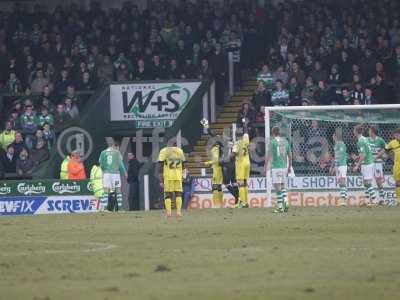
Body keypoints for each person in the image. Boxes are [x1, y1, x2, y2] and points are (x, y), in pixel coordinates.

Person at [266, 126, 292, 213]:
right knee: (283, 185)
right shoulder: (285, 141)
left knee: (277, 186)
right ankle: (286, 201)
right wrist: (289, 166)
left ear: (273, 133)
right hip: (284, 166)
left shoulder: (272, 142)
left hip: (276, 167)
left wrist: (265, 166)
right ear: (279, 133)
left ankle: (280, 206)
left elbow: (269, 155)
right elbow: (290, 155)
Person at [158, 142, 186, 218]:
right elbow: (184, 165)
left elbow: (160, 165)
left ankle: (169, 213)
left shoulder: (164, 151)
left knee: (167, 195)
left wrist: (160, 179)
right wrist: (184, 176)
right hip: (178, 175)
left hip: (168, 176)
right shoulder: (180, 151)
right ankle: (179, 213)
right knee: (178, 193)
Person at [352, 125, 377, 207]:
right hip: (369, 162)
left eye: (354, 130)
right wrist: (357, 157)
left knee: (367, 183)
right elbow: (365, 152)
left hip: (367, 163)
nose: (353, 131)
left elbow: (364, 155)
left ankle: (374, 199)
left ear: (356, 132)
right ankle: (366, 201)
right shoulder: (365, 139)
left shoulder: (360, 141)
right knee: (366, 183)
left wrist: (357, 165)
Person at [99, 142, 127, 212]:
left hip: (106, 174)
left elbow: (101, 164)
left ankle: (105, 208)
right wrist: (125, 172)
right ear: (115, 146)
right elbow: (120, 164)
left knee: (106, 190)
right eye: (117, 147)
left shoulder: (103, 152)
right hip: (115, 174)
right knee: (118, 190)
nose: (118, 149)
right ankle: (120, 208)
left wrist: (104, 170)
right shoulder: (117, 153)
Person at [232, 123, 250, 208]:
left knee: (240, 184)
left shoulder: (237, 143)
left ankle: (242, 202)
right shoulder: (245, 139)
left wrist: (227, 157)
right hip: (247, 163)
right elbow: (246, 131)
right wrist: (244, 123)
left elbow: (234, 153)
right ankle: (246, 202)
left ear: (236, 135)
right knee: (245, 183)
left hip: (240, 165)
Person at [380, 128, 400, 205]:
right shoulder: (392, 143)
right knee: (398, 182)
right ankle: (398, 200)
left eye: (397, 135)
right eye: (395, 135)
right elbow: (385, 151)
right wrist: (379, 156)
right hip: (397, 165)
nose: (396, 136)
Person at [368, 126, 387, 205]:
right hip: (369, 163)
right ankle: (372, 199)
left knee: (378, 181)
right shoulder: (367, 140)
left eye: (369, 131)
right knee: (368, 180)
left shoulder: (380, 140)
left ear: (373, 132)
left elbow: (386, 148)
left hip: (378, 163)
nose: (368, 132)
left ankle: (382, 199)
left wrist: (378, 155)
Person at [330, 131, 348, 206]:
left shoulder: (341, 144)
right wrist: (332, 166)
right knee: (341, 183)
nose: (332, 137)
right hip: (338, 166)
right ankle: (344, 198)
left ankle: (343, 200)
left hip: (342, 165)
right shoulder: (336, 145)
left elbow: (340, 156)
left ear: (335, 136)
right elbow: (336, 156)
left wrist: (335, 166)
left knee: (342, 181)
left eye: (333, 136)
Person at [204, 140, 224, 208]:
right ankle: (221, 204)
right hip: (221, 169)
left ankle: (216, 204)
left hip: (216, 169)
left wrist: (207, 163)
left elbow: (215, 160)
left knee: (215, 186)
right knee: (219, 187)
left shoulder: (214, 149)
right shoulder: (221, 149)